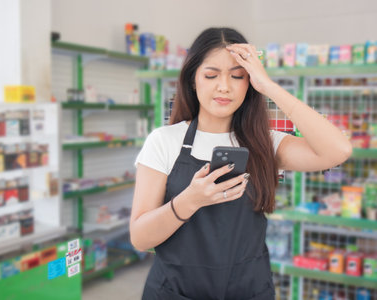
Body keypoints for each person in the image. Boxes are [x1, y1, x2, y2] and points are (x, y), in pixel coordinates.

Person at [130, 27, 352, 299]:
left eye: (238, 76)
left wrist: (269, 86)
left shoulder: (265, 143)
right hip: (175, 291)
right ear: (192, 80)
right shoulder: (165, 141)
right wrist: (190, 200)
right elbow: (140, 238)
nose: (225, 86)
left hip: (248, 290)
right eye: (211, 75)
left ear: (250, 84)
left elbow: (338, 150)